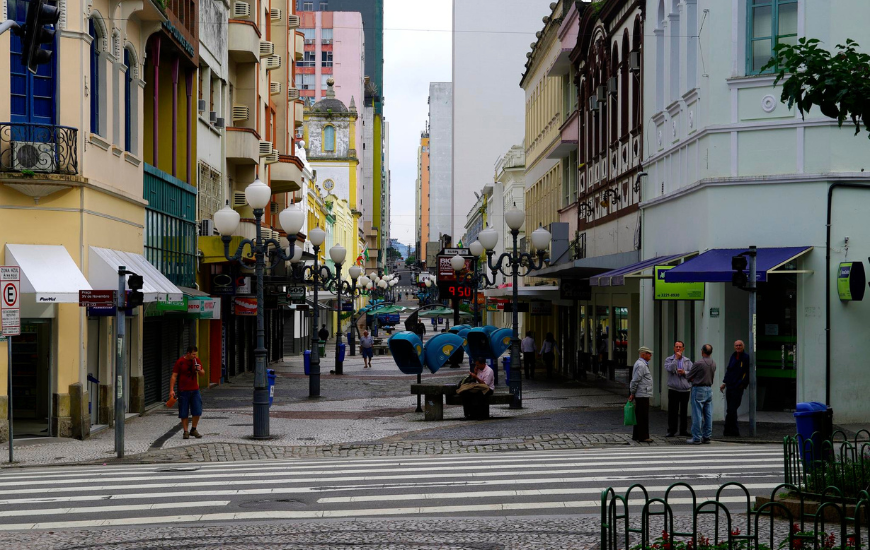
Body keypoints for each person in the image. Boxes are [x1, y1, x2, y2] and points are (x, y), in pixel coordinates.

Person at [169, 346, 204, 440]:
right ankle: (185, 431)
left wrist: (199, 370)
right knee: (184, 411)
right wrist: (171, 390)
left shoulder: (197, 361)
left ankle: (193, 429)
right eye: (193, 354)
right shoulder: (180, 362)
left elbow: (202, 374)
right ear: (188, 353)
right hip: (183, 390)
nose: (195, 356)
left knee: (197, 410)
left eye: (195, 354)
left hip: (195, 390)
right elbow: (174, 376)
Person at [687, 344, 717, 445]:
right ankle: (707, 436)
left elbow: (689, 376)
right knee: (708, 414)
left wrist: (692, 378)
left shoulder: (698, 363)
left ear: (702, 351)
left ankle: (696, 437)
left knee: (697, 414)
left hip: (698, 388)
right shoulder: (713, 363)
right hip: (709, 389)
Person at [720, 340, 750, 437]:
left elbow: (747, 372)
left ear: (743, 346)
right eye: (736, 345)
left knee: (732, 409)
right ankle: (730, 431)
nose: (738, 347)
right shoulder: (733, 356)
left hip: (737, 387)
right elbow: (729, 370)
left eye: (740, 345)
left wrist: (742, 383)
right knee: (730, 410)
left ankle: (732, 431)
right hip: (730, 386)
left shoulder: (746, 358)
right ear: (734, 346)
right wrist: (724, 383)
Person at [664, 341, 692, 438]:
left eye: (680, 347)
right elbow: (670, 369)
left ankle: (683, 430)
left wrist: (684, 372)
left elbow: (692, 373)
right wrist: (676, 359)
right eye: (676, 347)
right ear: (674, 348)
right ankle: (671, 430)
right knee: (673, 411)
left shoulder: (687, 361)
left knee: (684, 411)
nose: (678, 349)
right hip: (673, 389)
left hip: (685, 390)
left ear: (683, 349)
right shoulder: (669, 359)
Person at [629, 346, 654, 443]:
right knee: (643, 416)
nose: (650, 355)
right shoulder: (641, 365)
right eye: (648, 353)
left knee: (639, 415)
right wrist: (632, 392)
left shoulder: (641, 364)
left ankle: (637, 435)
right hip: (642, 393)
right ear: (643, 354)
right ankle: (643, 436)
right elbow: (635, 380)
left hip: (642, 392)